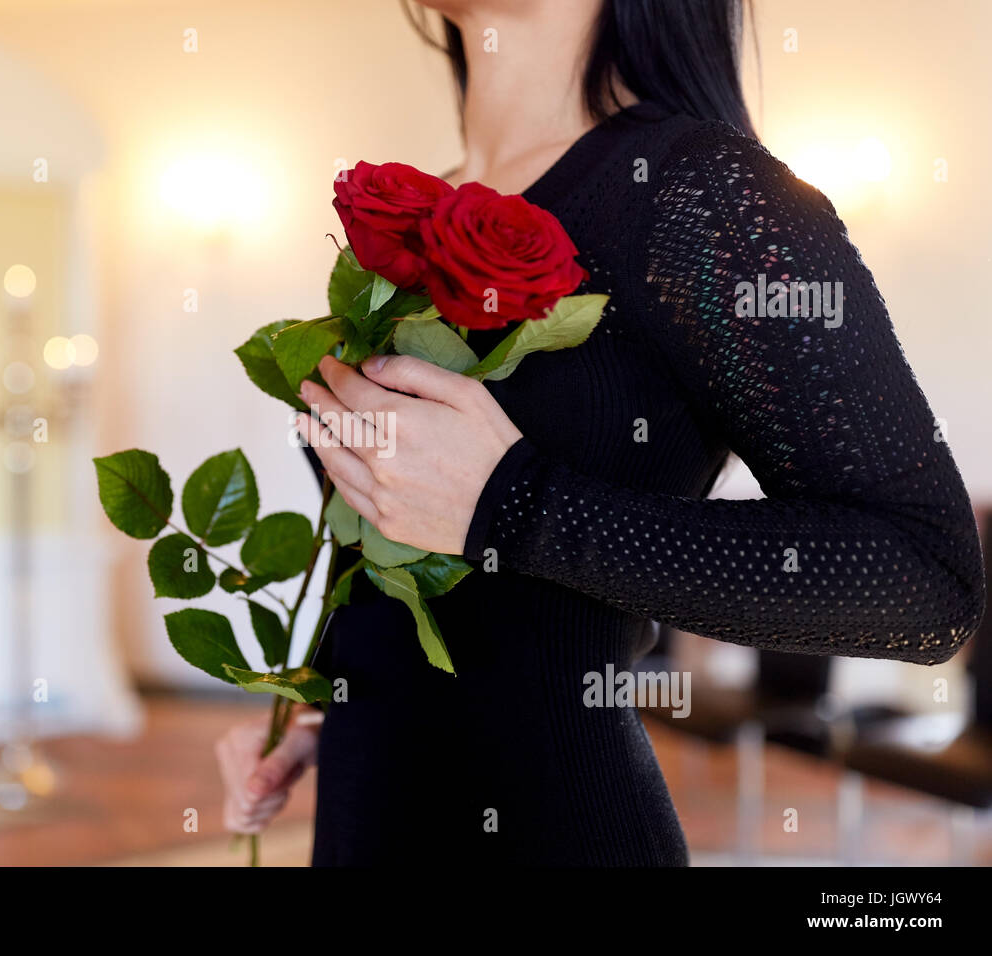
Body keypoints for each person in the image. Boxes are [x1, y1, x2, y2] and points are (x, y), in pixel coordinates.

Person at [216, 0, 986, 865]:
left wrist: (515, 506)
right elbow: (426, 579)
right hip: (364, 825)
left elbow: (927, 581)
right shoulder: (412, 226)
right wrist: (324, 703)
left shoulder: (705, 195)